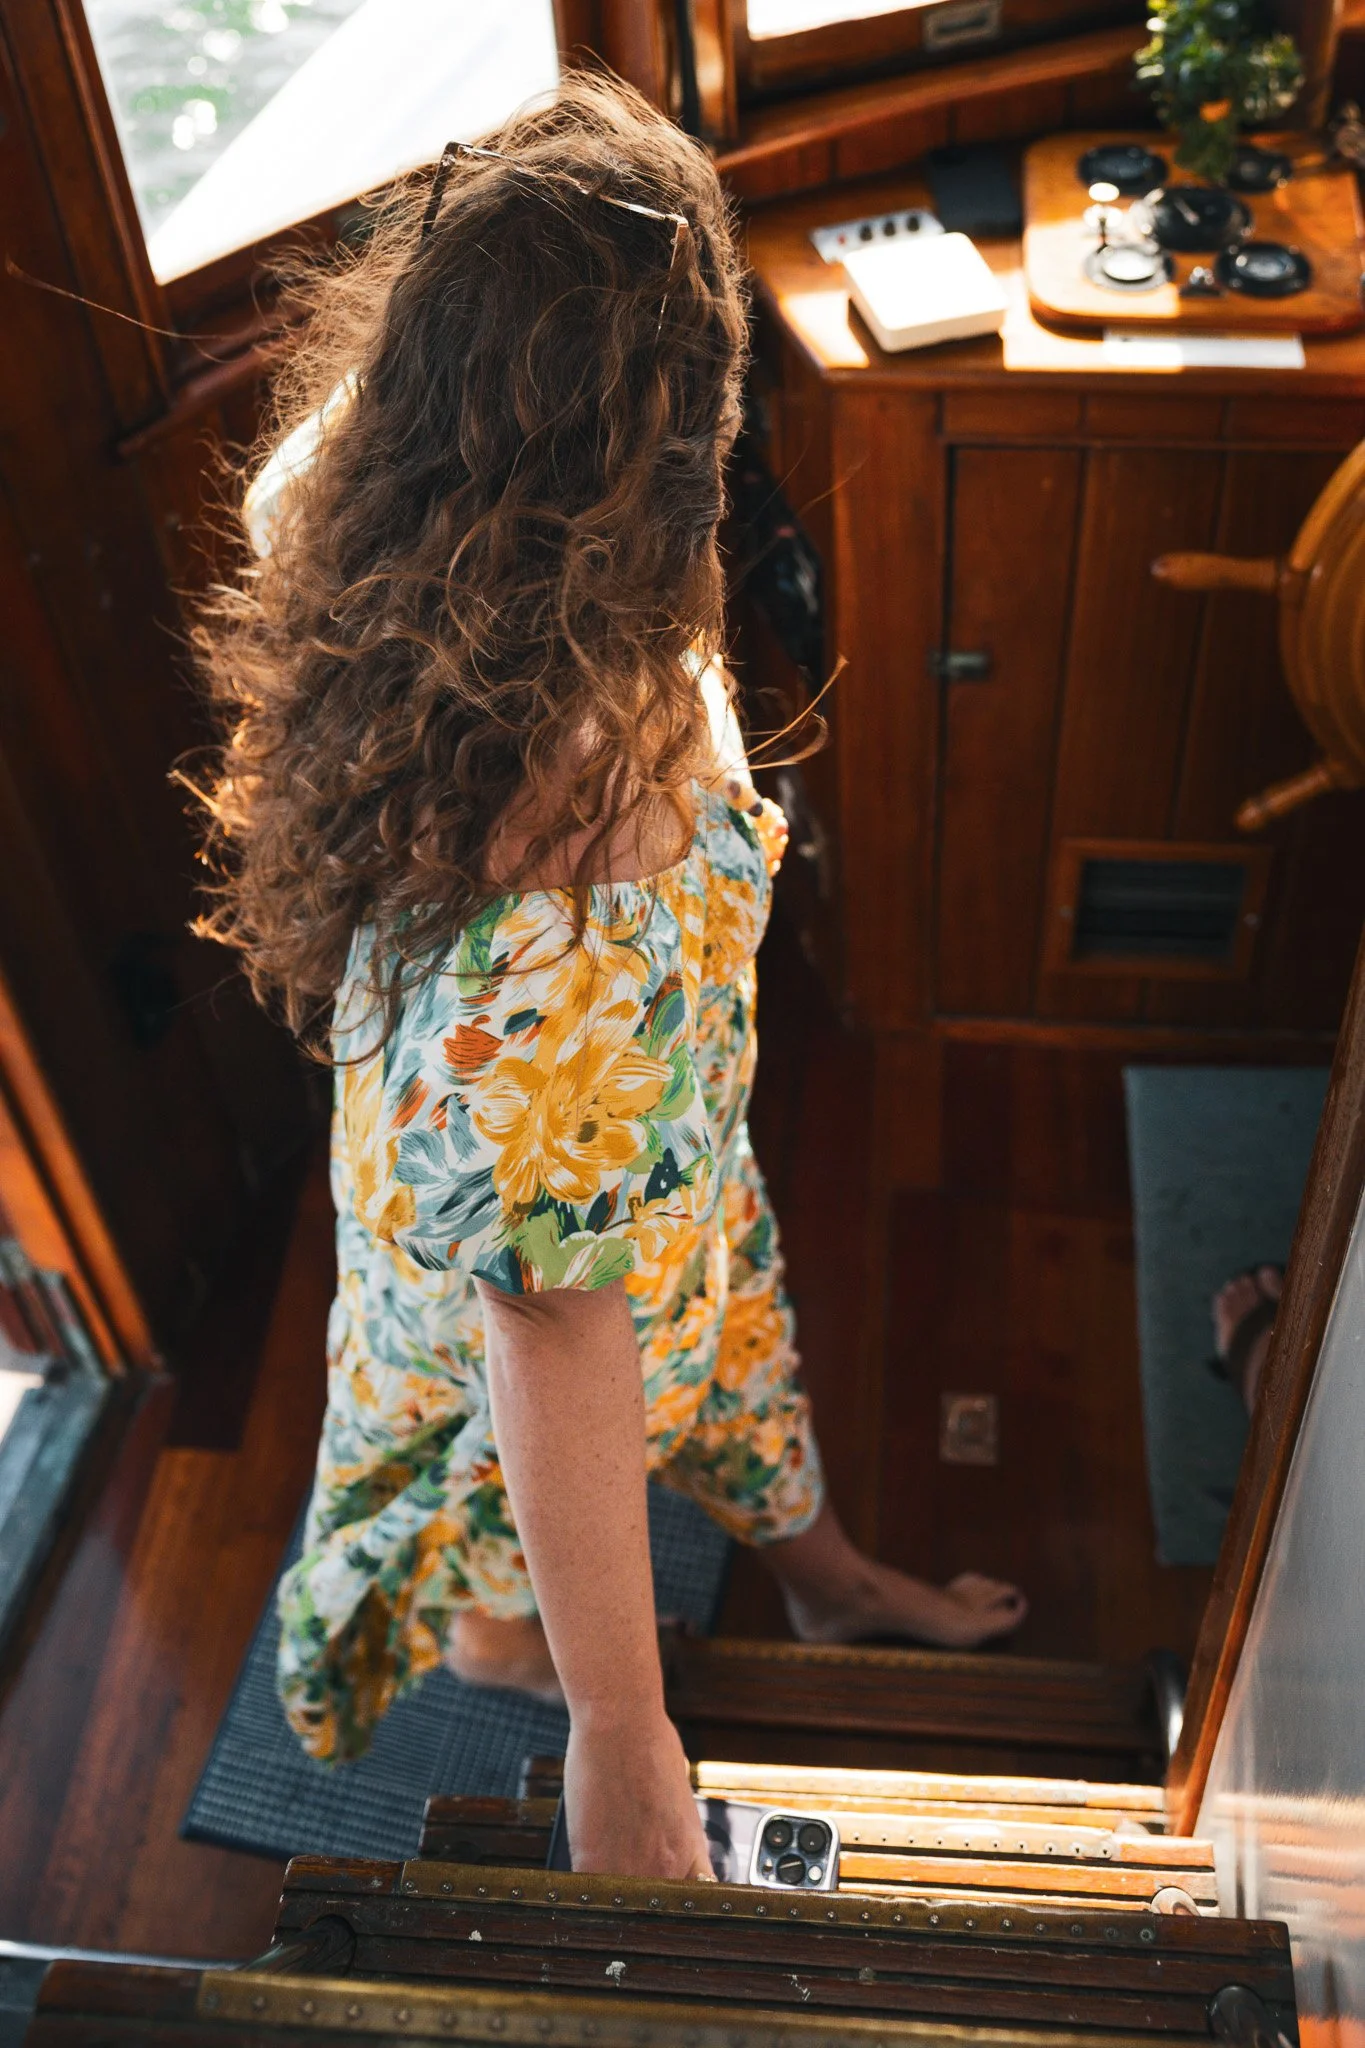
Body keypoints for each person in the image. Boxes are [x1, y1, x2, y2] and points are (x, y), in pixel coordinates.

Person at [191, 75, 1025, 1882]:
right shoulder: (600, 824)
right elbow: (555, 1319)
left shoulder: (353, 509)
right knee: (531, 1503)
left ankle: (822, 1587)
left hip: (622, 1177)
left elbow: (319, 467)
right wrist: (626, 1729)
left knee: (723, 1358)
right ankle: (522, 1650)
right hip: (536, 1244)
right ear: (673, 439)